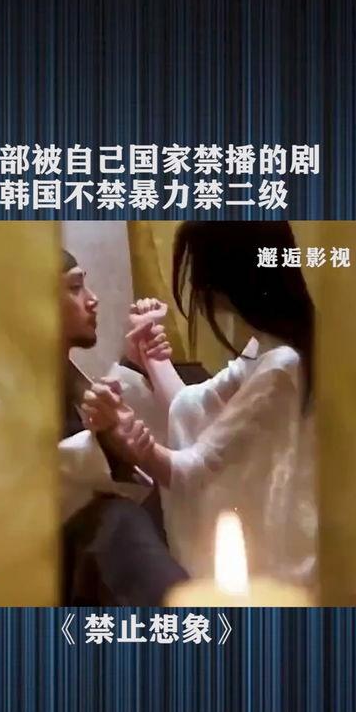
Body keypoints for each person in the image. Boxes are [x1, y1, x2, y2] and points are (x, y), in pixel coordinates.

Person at [83, 223, 317, 586]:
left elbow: (196, 473)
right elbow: (193, 404)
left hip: (288, 570)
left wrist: (133, 443)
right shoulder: (271, 348)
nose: (195, 284)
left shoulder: (282, 365)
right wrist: (152, 356)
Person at [59, 249, 189, 604]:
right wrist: (104, 442)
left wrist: (138, 360)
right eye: (75, 287)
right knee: (117, 521)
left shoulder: (68, 379)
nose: (92, 299)